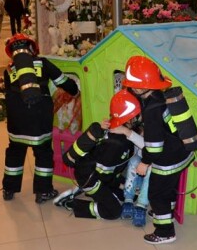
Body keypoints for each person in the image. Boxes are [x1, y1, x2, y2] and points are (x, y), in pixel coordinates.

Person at [123, 56, 194, 244]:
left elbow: (154, 146)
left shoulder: (151, 110)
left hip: (168, 158)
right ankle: (166, 212)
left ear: (138, 87)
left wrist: (144, 163)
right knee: (167, 188)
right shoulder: (159, 97)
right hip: (182, 151)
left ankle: (165, 232)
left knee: (156, 193)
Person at [1, 34, 79, 203]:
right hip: (39, 116)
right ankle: (43, 191)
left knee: (15, 151)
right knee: (43, 152)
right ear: (32, 48)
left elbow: (8, 93)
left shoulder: (9, 70)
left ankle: (9, 189)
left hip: (16, 119)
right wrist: (75, 91)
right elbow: (63, 81)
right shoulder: (43, 63)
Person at [53, 90, 138, 219]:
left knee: (129, 194)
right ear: (128, 118)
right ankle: (72, 203)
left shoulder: (114, 130)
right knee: (114, 211)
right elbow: (104, 174)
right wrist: (119, 184)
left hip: (95, 171)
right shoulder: (118, 144)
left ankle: (84, 190)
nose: (139, 117)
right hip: (91, 178)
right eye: (136, 114)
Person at [108, 118, 150, 227]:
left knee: (151, 167)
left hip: (151, 178)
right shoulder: (138, 126)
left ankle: (141, 206)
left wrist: (127, 132)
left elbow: (149, 148)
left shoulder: (156, 128)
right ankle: (128, 200)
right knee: (134, 160)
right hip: (136, 179)